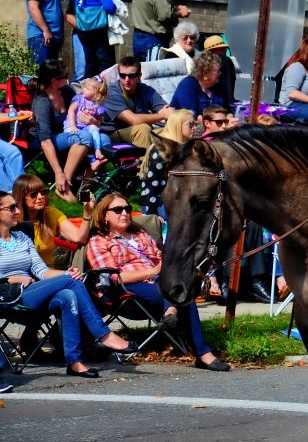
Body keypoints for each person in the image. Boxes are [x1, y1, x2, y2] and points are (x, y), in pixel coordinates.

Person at [86, 192, 230, 371]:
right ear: (104, 214)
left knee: (179, 288)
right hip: (127, 291)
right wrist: (153, 270)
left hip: (159, 283)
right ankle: (202, 352)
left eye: (127, 209)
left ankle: (172, 311)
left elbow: (161, 258)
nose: (124, 213)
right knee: (181, 295)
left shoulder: (139, 234)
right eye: (117, 210)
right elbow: (114, 277)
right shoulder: (98, 241)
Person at [0, 190, 138, 377]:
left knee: (68, 294)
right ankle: (104, 334)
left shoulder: (22, 238)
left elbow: (42, 271)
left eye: (17, 206)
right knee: (69, 282)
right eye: (12, 207)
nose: (18, 210)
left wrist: (67, 273)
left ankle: (74, 361)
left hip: (31, 291)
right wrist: (12, 279)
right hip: (9, 297)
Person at [29, 59, 104, 200]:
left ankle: (85, 185)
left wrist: (94, 121)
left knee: (104, 139)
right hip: (46, 140)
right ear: (54, 81)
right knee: (85, 137)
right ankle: (64, 185)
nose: (68, 78)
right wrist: (58, 172)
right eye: (65, 76)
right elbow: (45, 140)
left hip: (68, 134)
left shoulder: (66, 91)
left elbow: (88, 107)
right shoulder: (42, 102)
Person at [13, 174, 89, 268]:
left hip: (48, 273)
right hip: (23, 275)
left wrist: (87, 214)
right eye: (34, 194)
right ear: (21, 197)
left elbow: (79, 237)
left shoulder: (50, 214)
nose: (41, 197)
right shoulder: (12, 223)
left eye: (43, 192)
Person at [102, 55, 173, 149]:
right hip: (114, 134)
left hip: (140, 131)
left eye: (131, 76)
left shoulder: (146, 90)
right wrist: (162, 116)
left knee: (173, 131)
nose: (127, 80)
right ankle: (144, 163)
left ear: (139, 76)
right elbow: (133, 120)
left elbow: (167, 111)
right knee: (143, 129)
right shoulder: (112, 92)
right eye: (122, 76)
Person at [139, 109, 196, 217]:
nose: (194, 128)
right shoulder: (161, 151)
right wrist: (150, 215)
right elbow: (152, 185)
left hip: (179, 200)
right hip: (159, 203)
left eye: (195, 124)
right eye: (191, 124)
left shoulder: (186, 146)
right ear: (178, 125)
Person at [73, 0, 117, 78]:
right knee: (106, 65)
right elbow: (110, 7)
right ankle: (106, 92)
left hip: (83, 30)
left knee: (90, 63)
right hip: (98, 30)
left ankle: (87, 92)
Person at [64, 77, 108, 168]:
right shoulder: (79, 99)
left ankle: (97, 150)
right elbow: (71, 111)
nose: (83, 89)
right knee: (85, 138)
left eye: (87, 89)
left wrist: (95, 122)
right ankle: (91, 158)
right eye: (84, 87)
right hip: (72, 127)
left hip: (85, 129)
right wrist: (72, 126)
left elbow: (99, 121)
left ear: (95, 93)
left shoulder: (98, 106)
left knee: (94, 128)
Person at [169, 51, 225, 116]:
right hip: (187, 124)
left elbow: (226, 110)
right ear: (205, 73)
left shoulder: (218, 86)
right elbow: (192, 115)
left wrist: (230, 119)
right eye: (217, 71)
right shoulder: (187, 85)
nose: (220, 73)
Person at [203, 35, 238, 106]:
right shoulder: (225, 60)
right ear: (214, 50)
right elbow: (230, 85)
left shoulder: (203, 63)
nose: (225, 50)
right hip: (224, 102)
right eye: (222, 48)